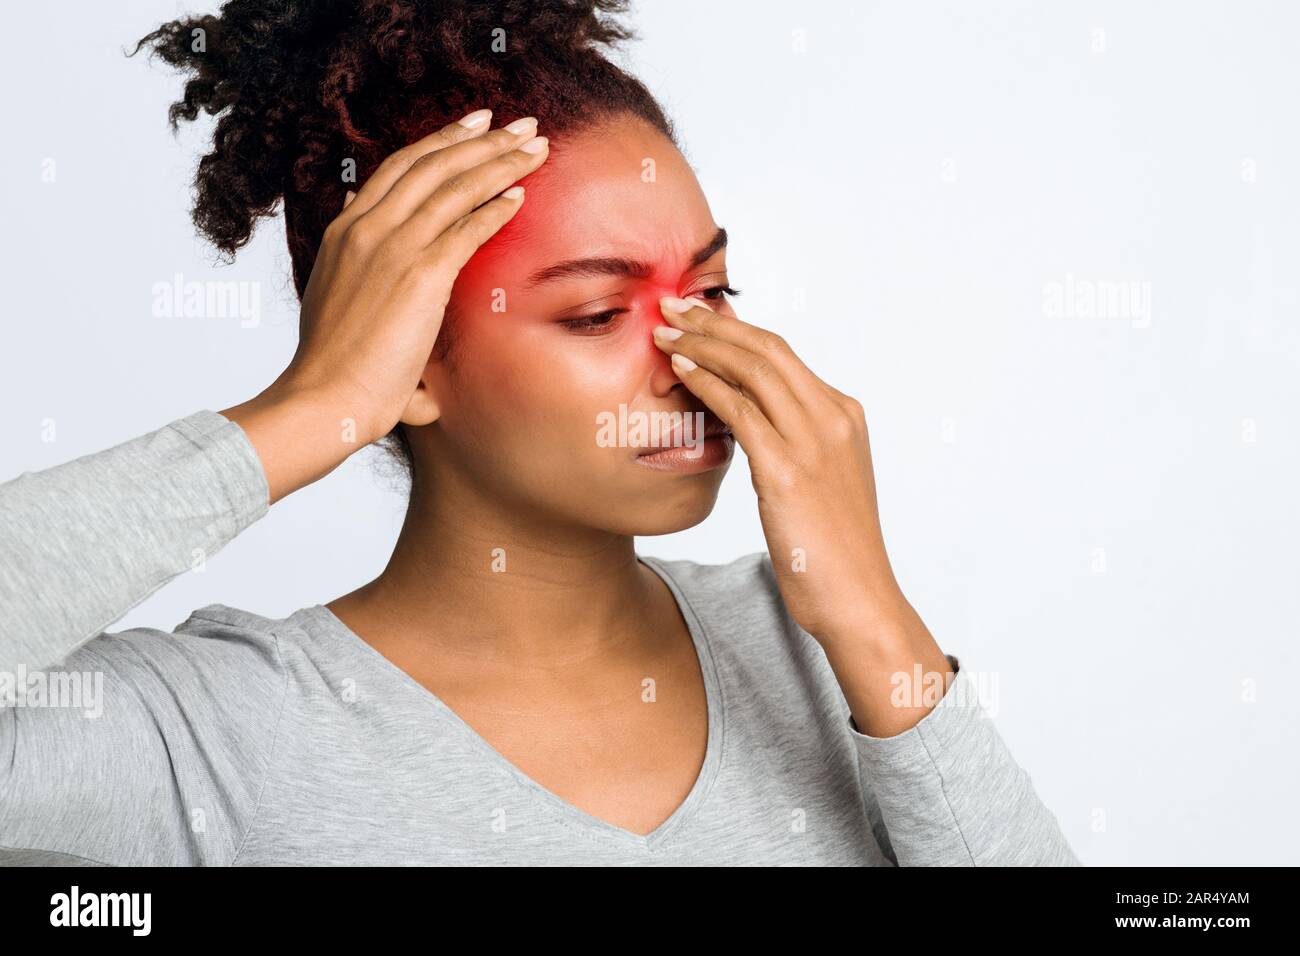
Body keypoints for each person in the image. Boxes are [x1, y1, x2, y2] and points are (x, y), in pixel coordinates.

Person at [0, 0, 1079, 865]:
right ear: (409, 362)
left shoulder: (819, 653)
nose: (689, 354)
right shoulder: (208, 733)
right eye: (598, 313)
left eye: (712, 284)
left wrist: (877, 627)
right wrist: (302, 413)